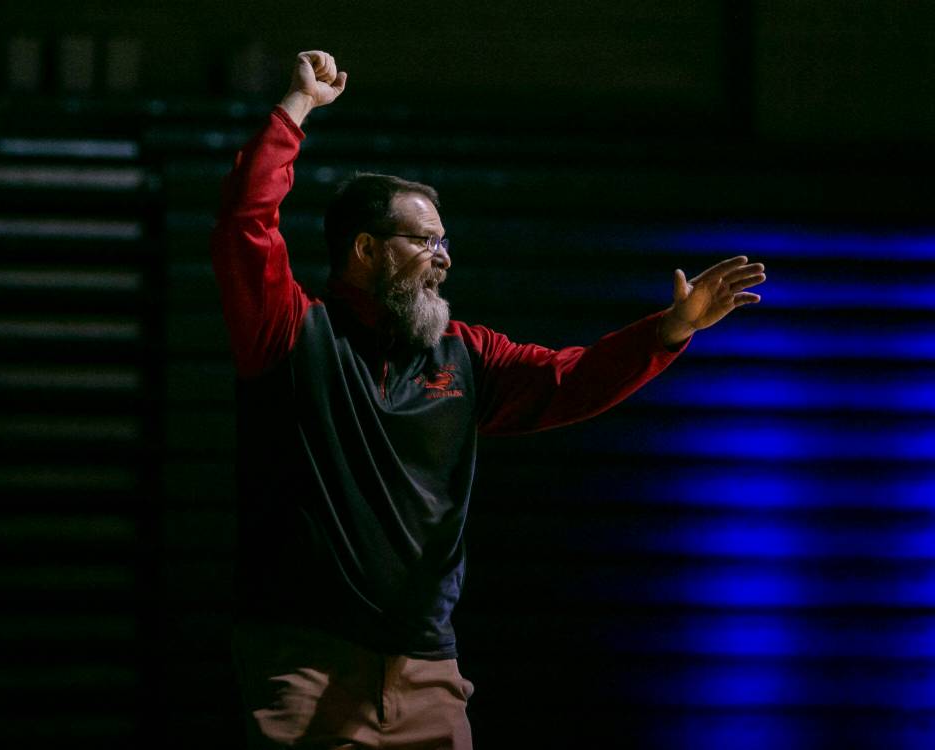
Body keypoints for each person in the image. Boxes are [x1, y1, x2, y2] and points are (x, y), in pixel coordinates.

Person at [212, 50, 766, 750]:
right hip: (305, 666)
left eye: (445, 241)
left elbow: (572, 378)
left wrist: (671, 330)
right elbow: (244, 223)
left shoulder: (465, 354)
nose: (444, 256)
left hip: (428, 674)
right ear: (364, 250)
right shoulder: (291, 335)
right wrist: (295, 109)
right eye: (422, 240)